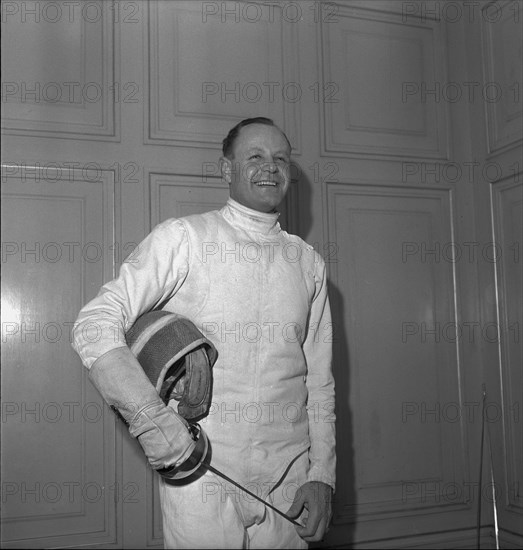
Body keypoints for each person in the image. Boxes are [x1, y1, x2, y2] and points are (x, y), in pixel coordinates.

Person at [72, 117, 336, 549]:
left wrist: (322, 475)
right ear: (226, 169)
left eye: (280, 159)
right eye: (254, 156)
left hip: (289, 477)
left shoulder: (308, 263)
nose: (270, 167)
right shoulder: (185, 238)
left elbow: (319, 381)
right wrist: (151, 421)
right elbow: (94, 323)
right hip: (202, 472)